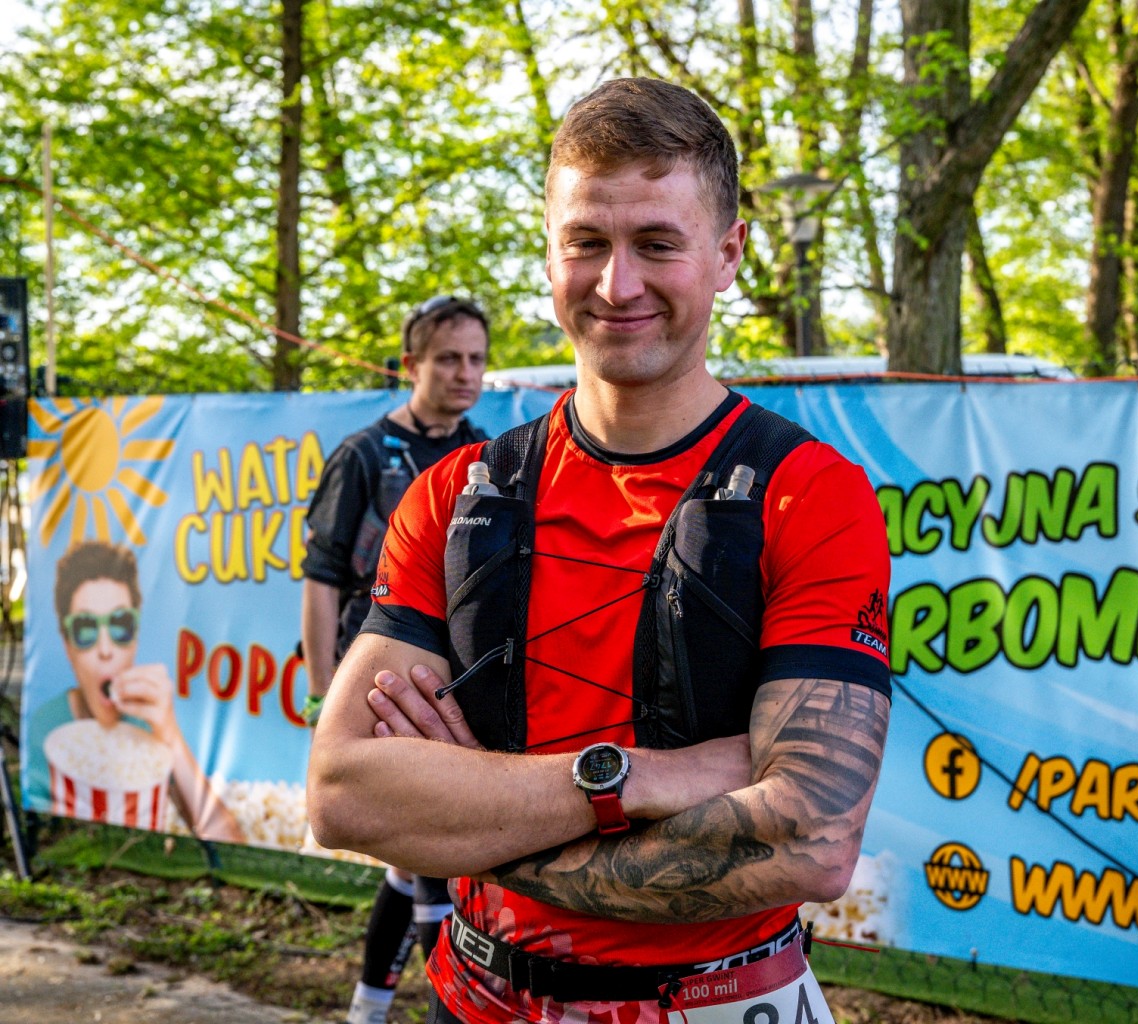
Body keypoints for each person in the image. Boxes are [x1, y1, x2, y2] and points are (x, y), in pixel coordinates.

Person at [308, 78, 892, 1024]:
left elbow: (810, 840)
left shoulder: (810, 495)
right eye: (586, 242)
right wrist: (642, 777)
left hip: (716, 1006)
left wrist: (478, 823)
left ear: (729, 254)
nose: (617, 285)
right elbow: (344, 794)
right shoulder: (455, 495)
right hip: (475, 999)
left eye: (657, 243)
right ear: (549, 255)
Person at [300, 295, 490, 1024]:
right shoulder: (362, 455)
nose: (465, 373)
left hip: (457, 684)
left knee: (415, 862)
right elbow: (321, 580)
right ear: (410, 364)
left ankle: (368, 1008)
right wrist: (324, 694)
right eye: (448, 359)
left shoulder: (488, 454)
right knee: (431, 858)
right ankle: (438, 1009)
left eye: (476, 359)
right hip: (376, 678)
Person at [35, 540, 244, 843]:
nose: (105, 649)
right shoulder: (44, 727)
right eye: (85, 629)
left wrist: (170, 733)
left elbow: (228, 841)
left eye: (120, 625)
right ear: (67, 645)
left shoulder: (147, 725)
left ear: (135, 638)